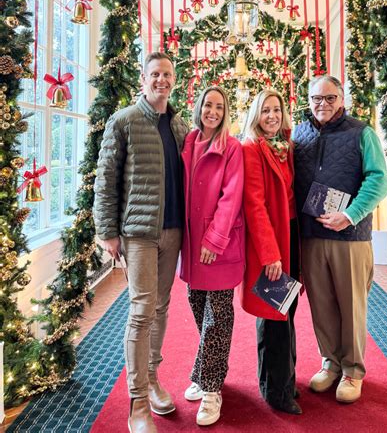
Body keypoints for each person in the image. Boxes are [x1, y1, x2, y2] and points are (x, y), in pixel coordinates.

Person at [94, 52, 188, 433]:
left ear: (174, 79)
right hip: (138, 233)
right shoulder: (124, 120)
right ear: (144, 78)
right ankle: (137, 401)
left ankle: (151, 379)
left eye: (167, 74)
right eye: (155, 74)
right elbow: (105, 179)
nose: (161, 80)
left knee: (161, 307)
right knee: (142, 310)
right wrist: (107, 231)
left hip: (173, 230)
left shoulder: (179, 126)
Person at [293, 74, 387, 404]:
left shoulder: (362, 133)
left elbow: (378, 180)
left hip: (349, 236)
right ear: (309, 100)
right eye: (317, 98)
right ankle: (331, 362)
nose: (323, 104)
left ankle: (352, 370)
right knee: (321, 305)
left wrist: (349, 215)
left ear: (342, 99)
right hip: (311, 236)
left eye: (330, 98)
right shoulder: (298, 134)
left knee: (351, 306)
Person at [180, 86, 245, 426]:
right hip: (191, 246)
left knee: (217, 317)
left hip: (218, 245)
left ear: (225, 112)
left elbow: (231, 198)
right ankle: (205, 370)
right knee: (197, 307)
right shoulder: (188, 142)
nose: (213, 111)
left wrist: (215, 238)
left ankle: (211, 388)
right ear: (199, 107)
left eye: (219, 107)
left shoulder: (231, 147)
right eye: (208, 104)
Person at [240, 89, 301, 415]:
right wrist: (269, 254)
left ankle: (287, 379)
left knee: (287, 313)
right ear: (256, 115)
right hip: (272, 242)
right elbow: (254, 204)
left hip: (291, 235)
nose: (272, 116)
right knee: (273, 316)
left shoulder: (285, 146)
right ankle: (275, 391)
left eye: (277, 110)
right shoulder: (252, 148)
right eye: (266, 111)